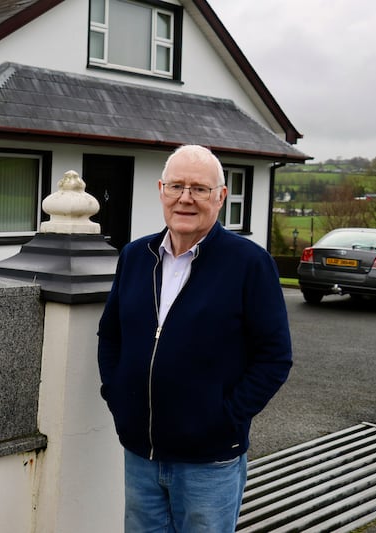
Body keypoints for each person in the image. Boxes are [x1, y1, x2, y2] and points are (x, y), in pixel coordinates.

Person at [97, 144, 292, 532]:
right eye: (176, 186)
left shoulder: (250, 264)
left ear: (220, 197)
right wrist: (116, 395)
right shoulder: (135, 256)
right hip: (141, 455)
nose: (186, 198)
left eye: (200, 189)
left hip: (209, 461)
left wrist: (223, 419)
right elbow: (111, 334)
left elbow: (274, 358)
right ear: (161, 190)